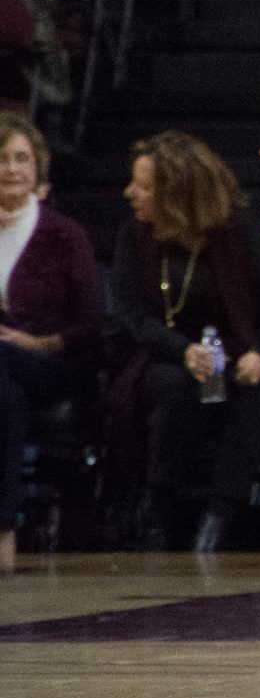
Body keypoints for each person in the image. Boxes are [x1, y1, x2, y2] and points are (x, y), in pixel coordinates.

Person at [115, 133, 260, 554]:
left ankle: (220, 514)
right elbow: (130, 314)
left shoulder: (242, 235)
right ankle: (157, 510)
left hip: (242, 347)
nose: (131, 193)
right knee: (174, 383)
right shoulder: (135, 237)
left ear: (178, 194)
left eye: (144, 187)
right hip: (168, 351)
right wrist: (180, 350)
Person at [0, 116, 103, 575]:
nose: (10, 168)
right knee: (5, 396)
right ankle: (4, 528)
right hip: (6, 374)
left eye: (21, 158)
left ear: (38, 167)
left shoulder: (64, 235)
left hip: (53, 362)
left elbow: (91, 323)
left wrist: (39, 343)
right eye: (1, 159)